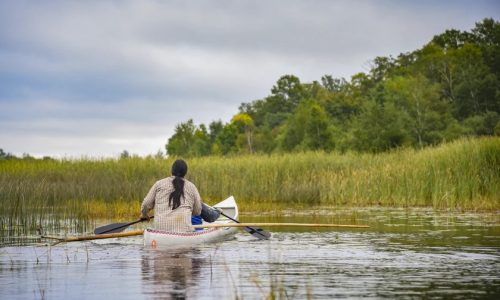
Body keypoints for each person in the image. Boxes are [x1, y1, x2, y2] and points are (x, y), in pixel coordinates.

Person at [140, 159, 202, 232]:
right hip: (184, 233)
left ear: (171, 171)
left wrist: (144, 214)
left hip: (160, 233)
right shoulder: (192, 187)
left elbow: (146, 204)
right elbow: (198, 211)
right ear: (185, 173)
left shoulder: (159, 184)